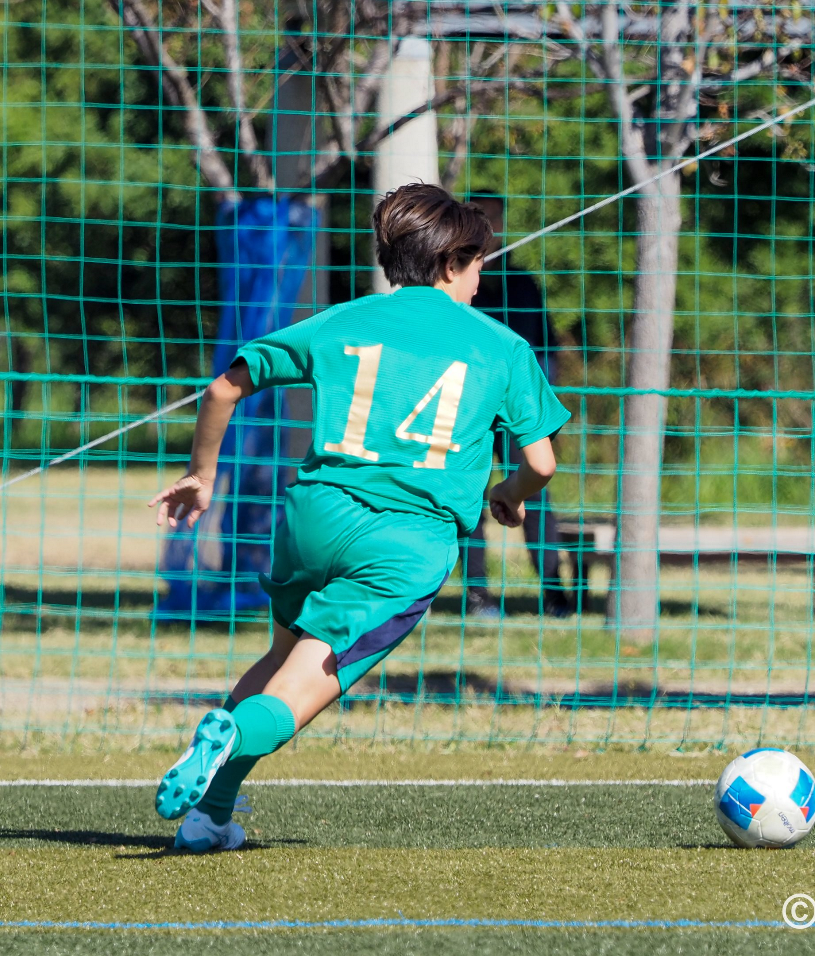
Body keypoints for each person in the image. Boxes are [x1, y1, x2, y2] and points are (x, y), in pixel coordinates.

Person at [147, 182, 570, 852]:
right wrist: (510, 496)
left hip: (313, 518)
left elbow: (225, 384)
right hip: (404, 544)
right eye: (480, 261)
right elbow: (542, 464)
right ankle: (229, 736)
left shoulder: (344, 320)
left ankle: (210, 816)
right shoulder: (501, 346)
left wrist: (202, 478)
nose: (485, 273)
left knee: (282, 657)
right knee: (298, 693)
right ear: (451, 263)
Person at [462, 192, 572, 619]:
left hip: (516, 414)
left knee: (534, 497)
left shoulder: (522, 284)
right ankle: (477, 596)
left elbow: (546, 352)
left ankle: (553, 592)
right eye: (478, 216)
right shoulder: (456, 286)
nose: (488, 225)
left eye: (494, 217)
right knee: (469, 496)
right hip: (470, 412)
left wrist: (541, 417)